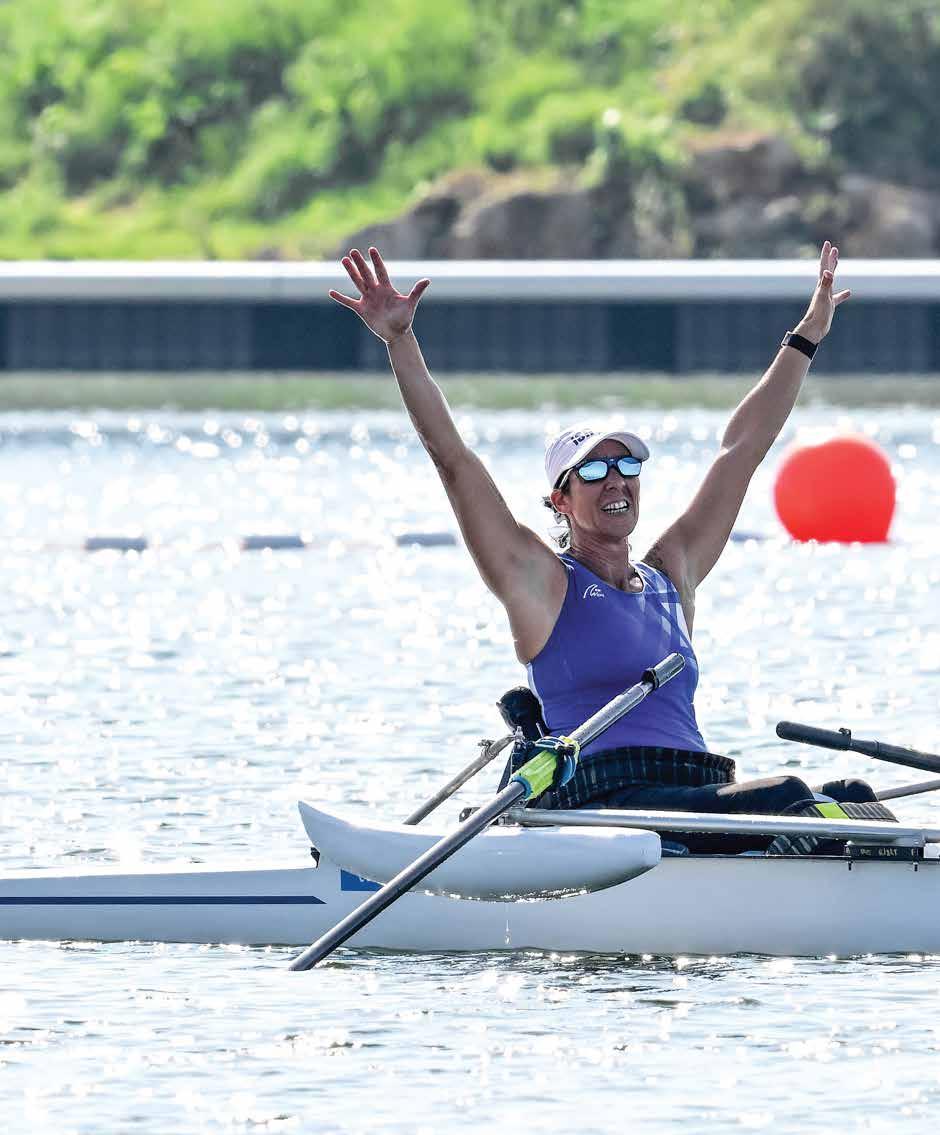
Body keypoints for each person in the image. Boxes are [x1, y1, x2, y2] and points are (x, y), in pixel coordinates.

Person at [329, 243, 882, 850]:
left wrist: (806, 336)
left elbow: (741, 450)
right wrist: (401, 342)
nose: (616, 480)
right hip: (601, 807)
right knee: (785, 796)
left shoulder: (672, 575)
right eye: (592, 471)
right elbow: (454, 462)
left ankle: (866, 869)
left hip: (689, 793)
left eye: (626, 465)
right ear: (561, 501)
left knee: (852, 791)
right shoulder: (543, 582)